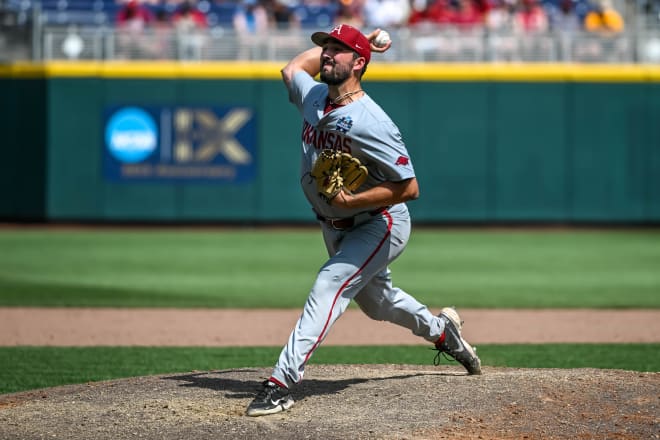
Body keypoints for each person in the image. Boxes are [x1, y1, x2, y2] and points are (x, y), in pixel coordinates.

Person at [245, 23, 482, 417]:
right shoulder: (315, 96)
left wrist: (353, 199)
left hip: (379, 222)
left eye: (337, 50)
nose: (326, 54)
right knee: (379, 303)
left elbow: (409, 187)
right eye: (325, 48)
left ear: (357, 64)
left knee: (329, 285)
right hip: (335, 223)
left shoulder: (372, 121)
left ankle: (281, 383)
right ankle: (444, 332)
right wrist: (360, 45)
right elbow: (290, 70)